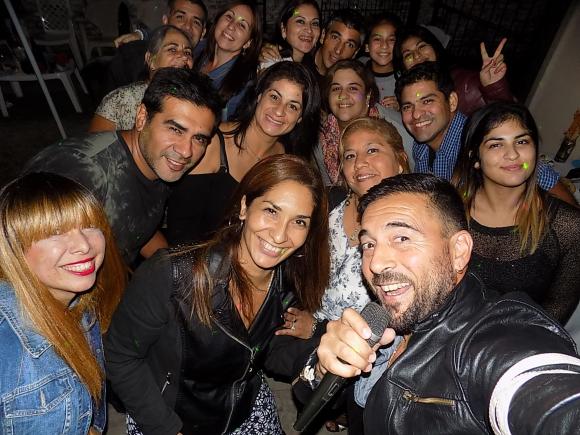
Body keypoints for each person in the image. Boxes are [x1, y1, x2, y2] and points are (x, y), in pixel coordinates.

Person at [298, 173, 580, 434]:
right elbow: (306, 395)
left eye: (402, 238)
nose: (376, 263)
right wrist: (322, 368)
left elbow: (545, 395)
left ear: (458, 251)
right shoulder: (385, 317)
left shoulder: (494, 339)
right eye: (369, 245)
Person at [105, 154, 330, 435]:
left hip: (243, 404)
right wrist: (165, 428)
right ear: (245, 207)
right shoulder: (172, 274)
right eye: (271, 211)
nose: (280, 235)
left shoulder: (286, 278)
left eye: (299, 222)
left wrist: (318, 362)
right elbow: (120, 356)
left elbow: (266, 349)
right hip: (171, 417)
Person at [25, 67, 222, 266]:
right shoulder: (82, 173)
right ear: (142, 117)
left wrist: (179, 268)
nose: (186, 151)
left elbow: (134, 227)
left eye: (199, 139)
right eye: (175, 129)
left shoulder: (158, 165)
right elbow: (27, 256)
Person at [0, 173, 126, 434]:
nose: (84, 245)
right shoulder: (7, 347)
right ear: (13, 248)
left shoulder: (82, 305)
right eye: (55, 232)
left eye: (89, 225)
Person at [165, 61, 320, 245]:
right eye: (274, 97)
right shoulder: (212, 143)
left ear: (300, 118)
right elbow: (180, 230)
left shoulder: (286, 163)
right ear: (259, 96)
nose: (279, 111)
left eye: (292, 106)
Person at [452, 102, 580, 324]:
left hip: (520, 341)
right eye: (495, 145)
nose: (512, 154)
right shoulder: (449, 212)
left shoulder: (568, 226)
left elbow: (552, 317)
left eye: (521, 141)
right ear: (475, 158)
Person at [395, 61, 576, 204]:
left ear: (452, 101)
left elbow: (557, 195)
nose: (416, 114)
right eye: (407, 106)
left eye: (427, 101)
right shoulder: (421, 147)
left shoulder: (483, 140)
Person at [315, 60, 413, 185]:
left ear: (367, 95)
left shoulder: (397, 127)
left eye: (352, 88)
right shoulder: (323, 139)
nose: (343, 95)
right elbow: (329, 188)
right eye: (336, 88)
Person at [90, 25, 194, 132]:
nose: (184, 57)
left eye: (187, 52)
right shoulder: (121, 102)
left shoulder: (195, 104)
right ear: (151, 60)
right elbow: (97, 141)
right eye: (172, 49)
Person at [393, 24, 514, 116]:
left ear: (435, 48)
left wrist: (494, 87)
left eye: (422, 46)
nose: (417, 55)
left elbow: (507, 117)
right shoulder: (409, 94)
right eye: (408, 55)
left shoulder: (465, 85)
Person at [105, 0, 207, 93]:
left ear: (203, 32)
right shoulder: (132, 57)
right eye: (180, 17)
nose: (187, 26)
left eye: (196, 22)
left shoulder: (204, 62)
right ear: (165, 20)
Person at [193, 0, 263, 120]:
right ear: (217, 21)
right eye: (229, 17)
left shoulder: (244, 87)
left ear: (248, 42)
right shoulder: (196, 50)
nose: (231, 26)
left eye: (242, 25)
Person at [258, 0, 321, 71]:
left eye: (315, 23)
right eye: (300, 21)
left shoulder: (309, 64)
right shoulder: (273, 63)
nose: (309, 30)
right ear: (283, 29)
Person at [360, 12, 402, 110]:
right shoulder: (357, 69)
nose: (384, 46)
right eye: (377, 39)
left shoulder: (404, 78)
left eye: (391, 40)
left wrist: (401, 108)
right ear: (367, 47)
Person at [313, 9, 365, 78]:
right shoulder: (301, 63)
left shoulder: (352, 79)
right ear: (323, 36)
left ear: (356, 52)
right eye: (335, 37)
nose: (338, 50)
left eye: (349, 45)